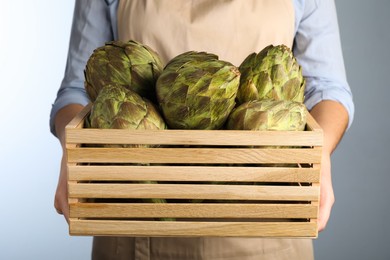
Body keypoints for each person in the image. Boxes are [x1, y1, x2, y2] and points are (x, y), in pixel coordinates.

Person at [50, 0, 354, 259]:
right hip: (136, 224)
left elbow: (328, 88)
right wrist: (73, 145)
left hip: (269, 222)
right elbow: (76, 91)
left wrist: (320, 152)